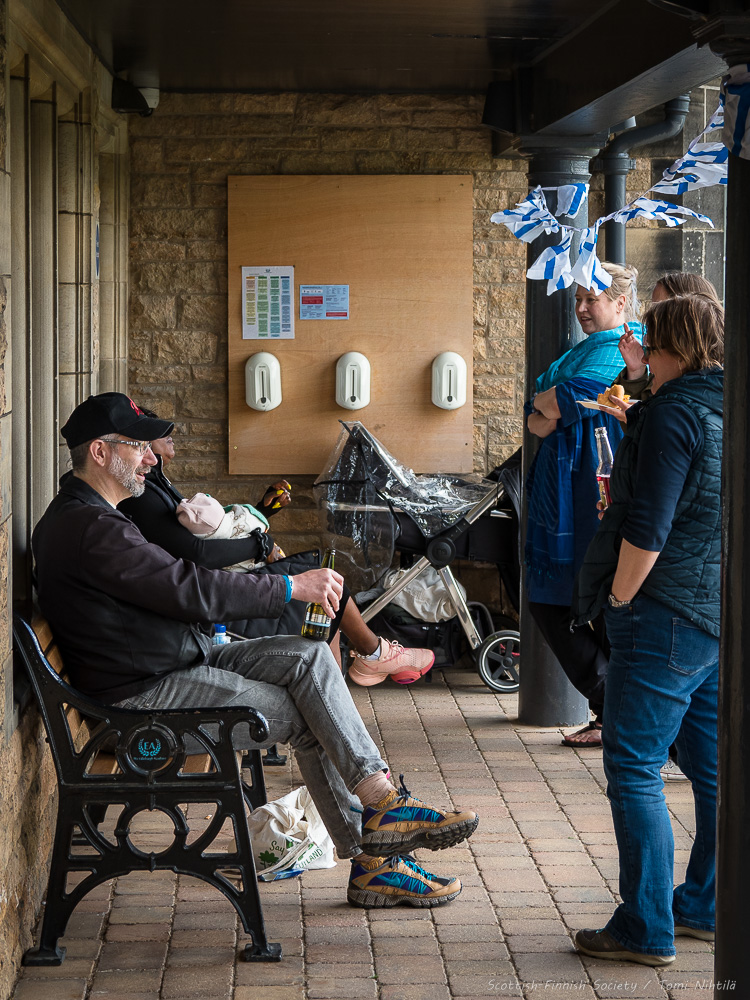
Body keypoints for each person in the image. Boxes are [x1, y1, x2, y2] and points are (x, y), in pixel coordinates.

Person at [32, 392, 479, 908]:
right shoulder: (91, 528)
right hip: (144, 697)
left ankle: (382, 812)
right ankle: (376, 854)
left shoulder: (92, 516)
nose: (150, 458)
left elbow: (180, 586)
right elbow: (189, 588)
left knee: (311, 657)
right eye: (138, 446)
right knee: (311, 714)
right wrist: (290, 587)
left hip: (175, 659)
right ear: (100, 452)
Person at [572, 294, 723, 965]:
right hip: (713, 614)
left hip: (660, 613)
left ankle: (645, 927)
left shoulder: (673, 414)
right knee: (714, 772)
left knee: (633, 767)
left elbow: (649, 525)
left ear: (674, 349)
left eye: (652, 346)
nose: (646, 357)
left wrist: (618, 597)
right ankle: (705, 907)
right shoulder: (722, 405)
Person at [118, 412, 434, 687]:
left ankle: (353, 675)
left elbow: (208, 537)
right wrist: (259, 544)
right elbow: (196, 554)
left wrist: (262, 512)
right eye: (152, 436)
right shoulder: (141, 496)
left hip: (213, 588)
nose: (168, 437)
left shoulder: (155, 485)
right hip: (210, 603)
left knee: (327, 596)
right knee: (324, 581)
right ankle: (372, 655)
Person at [525, 262, 642, 748]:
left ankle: (617, 713)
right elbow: (537, 413)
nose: (580, 308)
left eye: (591, 299)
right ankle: (615, 713)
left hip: (596, 492)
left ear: (620, 303)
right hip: (567, 491)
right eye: (577, 299)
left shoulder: (622, 348)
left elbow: (555, 402)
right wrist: (548, 406)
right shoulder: (586, 352)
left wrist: (549, 405)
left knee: (590, 602)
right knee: (556, 599)